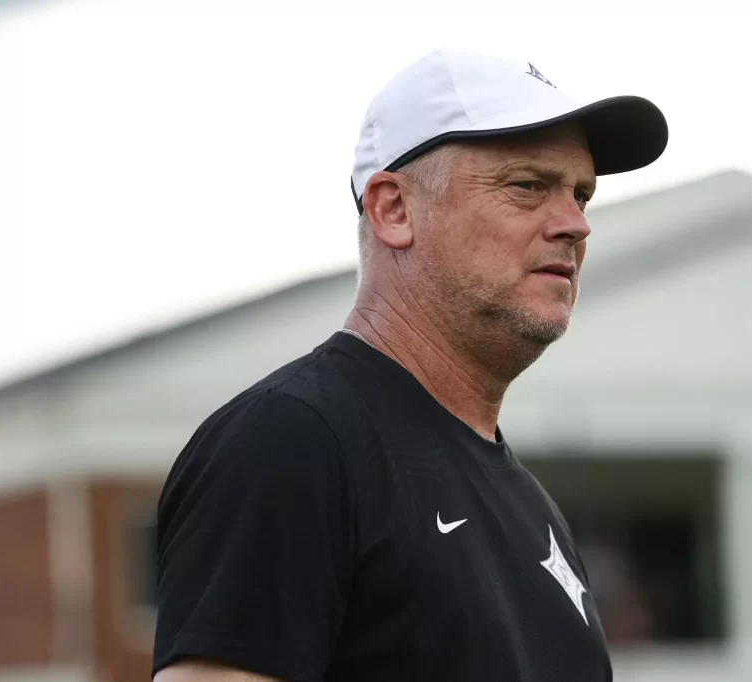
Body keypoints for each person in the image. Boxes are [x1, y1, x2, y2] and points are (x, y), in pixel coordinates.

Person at [152, 47, 667, 682]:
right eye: (527, 186)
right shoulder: (291, 444)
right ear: (394, 210)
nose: (575, 225)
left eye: (581, 195)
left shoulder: (535, 510)